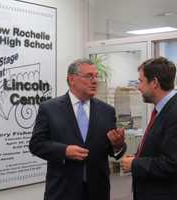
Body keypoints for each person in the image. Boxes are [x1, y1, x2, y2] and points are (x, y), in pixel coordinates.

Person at [29, 58, 126, 200]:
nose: (95, 81)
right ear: (72, 79)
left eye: (96, 76)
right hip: (62, 191)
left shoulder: (107, 111)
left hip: (97, 191)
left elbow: (113, 150)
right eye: (89, 76)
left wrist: (117, 145)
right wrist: (64, 151)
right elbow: (36, 144)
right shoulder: (49, 109)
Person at [121, 57, 177, 200]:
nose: (138, 87)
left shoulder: (174, 113)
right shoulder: (163, 109)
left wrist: (135, 164)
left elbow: (172, 163)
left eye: (141, 81)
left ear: (154, 83)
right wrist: (137, 157)